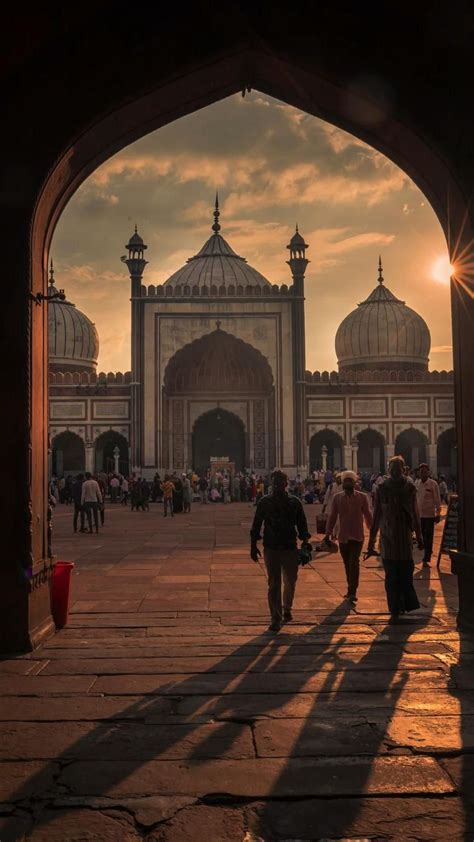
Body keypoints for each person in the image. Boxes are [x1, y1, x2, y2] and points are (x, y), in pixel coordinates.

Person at [250, 470, 311, 632]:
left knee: (290, 581)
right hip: (271, 547)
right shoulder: (265, 502)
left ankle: (287, 608)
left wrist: (305, 543)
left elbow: (302, 524)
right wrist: (252, 545)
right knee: (274, 584)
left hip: (290, 547)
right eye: (275, 482)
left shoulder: (294, 502)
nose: (277, 485)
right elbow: (256, 525)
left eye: (279, 482)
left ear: (285, 484)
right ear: (272, 484)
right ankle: (275, 617)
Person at [366, 455, 423, 622]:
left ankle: (402, 605)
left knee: (404, 574)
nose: (395, 472)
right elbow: (376, 516)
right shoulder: (382, 488)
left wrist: (419, 537)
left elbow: (415, 514)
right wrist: (371, 543)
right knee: (392, 575)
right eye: (393, 469)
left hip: (403, 538)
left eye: (398, 469)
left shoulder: (409, 488)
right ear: (389, 470)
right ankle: (395, 608)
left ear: (403, 470)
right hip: (389, 538)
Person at [325, 470, 372, 604]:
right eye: (345, 481)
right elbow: (333, 517)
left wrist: (372, 531)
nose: (347, 483)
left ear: (354, 482)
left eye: (350, 481)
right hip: (343, 535)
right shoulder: (337, 498)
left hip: (357, 535)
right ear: (343, 482)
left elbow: (368, 515)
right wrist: (328, 533)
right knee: (347, 564)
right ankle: (350, 588)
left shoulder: (362, 497)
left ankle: (352, 591)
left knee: (354, 563)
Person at [415, 463, 441, 567]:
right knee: (420, 535)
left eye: (425, 472)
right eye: (421, 472)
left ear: (428, 472)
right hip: (419, 514)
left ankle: (427, 555)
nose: (423, 473)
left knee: (429, 536)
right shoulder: (417, 483)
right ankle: (425, 549)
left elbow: (437, 500)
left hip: (429, 515)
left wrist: (438, 513)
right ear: (419, 473)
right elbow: (415, 499)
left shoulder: (433, 484)